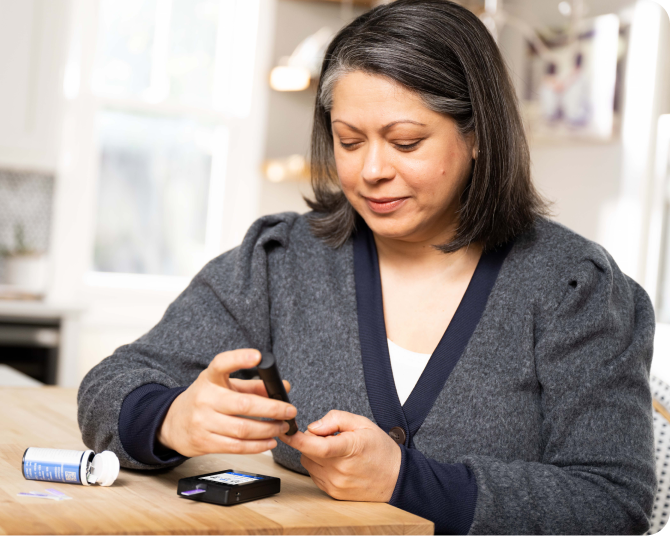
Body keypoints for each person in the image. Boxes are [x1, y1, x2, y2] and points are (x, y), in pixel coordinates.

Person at [77, 1, 656, 534]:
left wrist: (406, 481)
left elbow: (611, 503)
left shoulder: (574, 288)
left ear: (478, 135)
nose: (371, 170)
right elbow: (110, 383)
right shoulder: (281, 261)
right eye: (349, 141)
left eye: (405, 142)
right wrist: (171, 419)